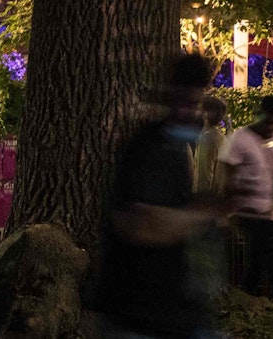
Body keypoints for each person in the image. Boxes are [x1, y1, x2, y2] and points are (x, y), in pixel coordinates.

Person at [95, 53, 233, 339]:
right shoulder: (149, 149)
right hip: (137, 314)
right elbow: (142, 225)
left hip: (167, 312)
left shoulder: (172, 149)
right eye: (187, 102)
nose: (190, 112)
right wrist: (208, 212)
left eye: (194, 104)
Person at [219, 95, 273, 306]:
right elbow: (227, 172)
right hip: (249, 210)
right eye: (268, 121)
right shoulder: (240, 139)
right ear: (259, 115)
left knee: (259, 254)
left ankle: (250, 296)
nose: (271, 127)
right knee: (269, 252)